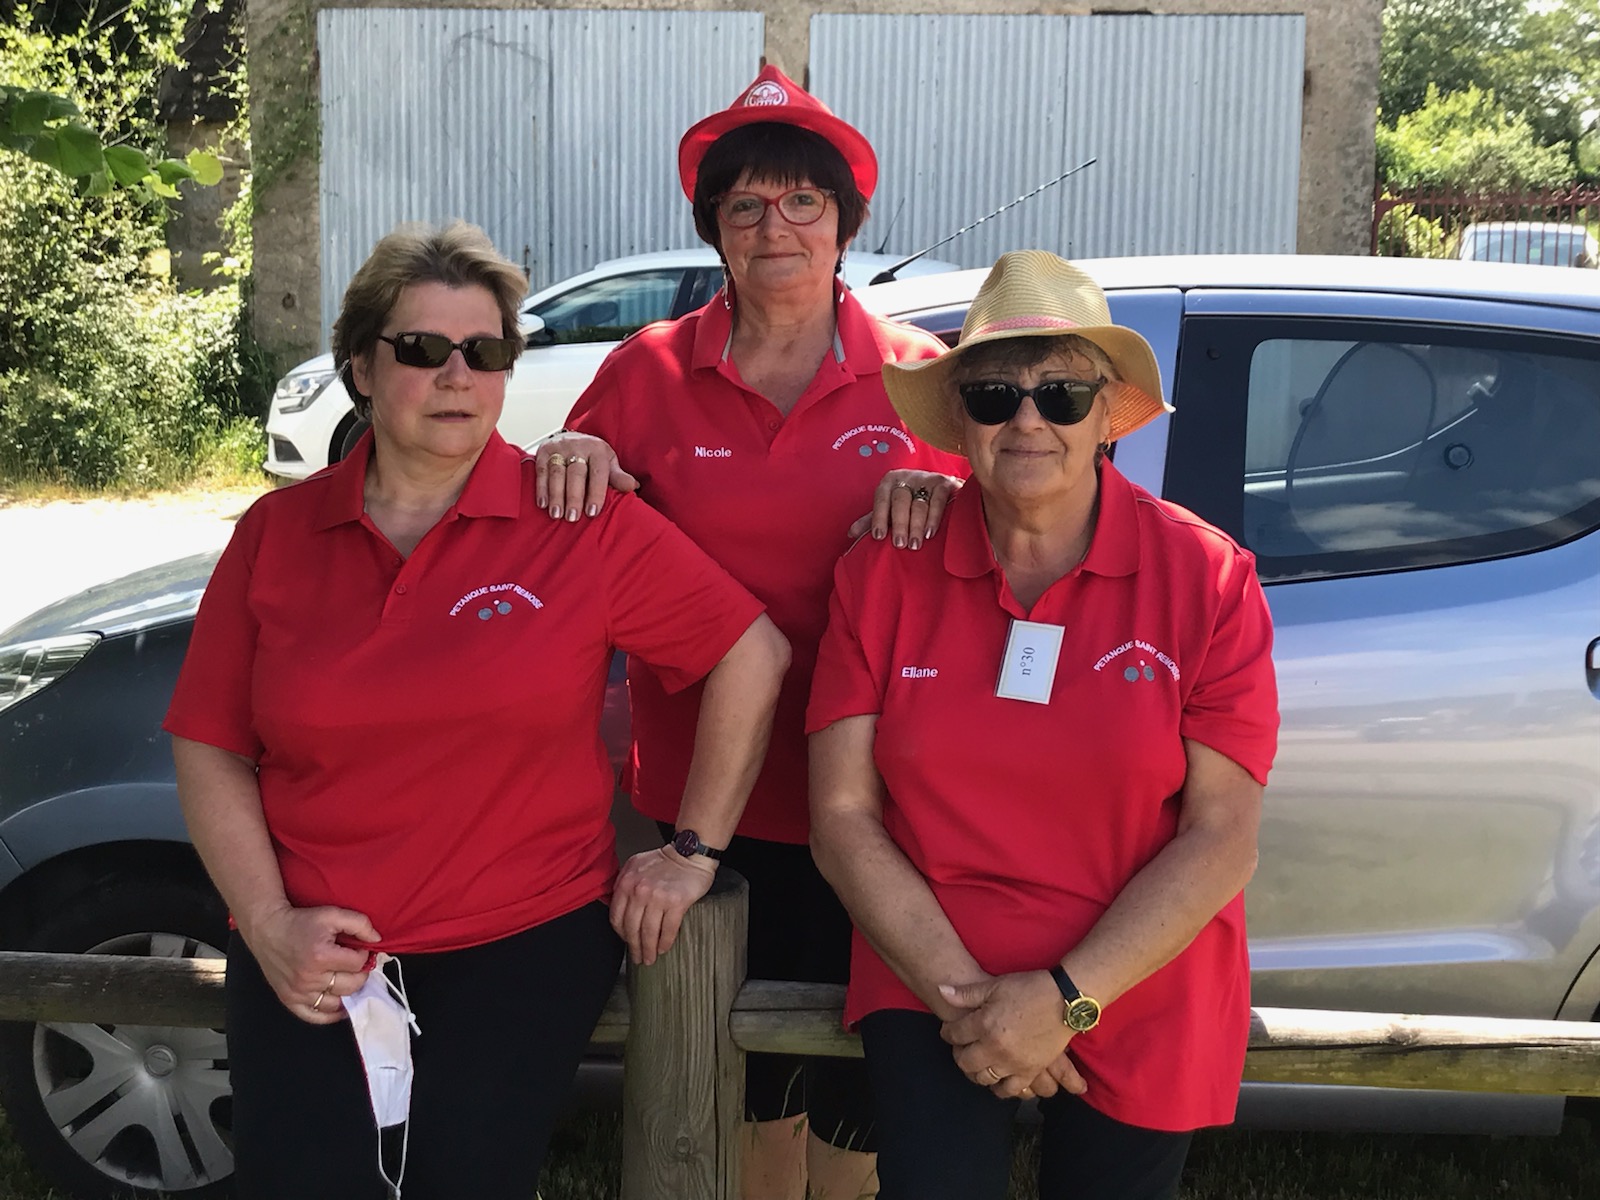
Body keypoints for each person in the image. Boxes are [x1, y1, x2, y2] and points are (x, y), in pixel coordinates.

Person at [163, 221, 790, 1200]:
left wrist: (693, 850)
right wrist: (270, 921)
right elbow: (209, 743)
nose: (457, 375)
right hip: (307, 948)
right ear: (363, 367)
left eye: (486, 351)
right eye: (422, 349)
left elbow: (751, 652)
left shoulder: (575, 521)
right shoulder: (277, 534)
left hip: (516, 945)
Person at [537, 65, 966, 1198]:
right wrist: (568, 460)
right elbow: (571, 541)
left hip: (888, 804)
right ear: (714, 232)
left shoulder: (929, 383)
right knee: (745, 1093)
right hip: (711, 811)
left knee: (863, 1099)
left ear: (844, 224)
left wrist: (951, 502)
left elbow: (1016, 558)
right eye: (744, 206)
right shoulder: (644, 375)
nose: (774, 227)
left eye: (802, 203)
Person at [806, 250, 1280, 1200]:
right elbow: (843, 816)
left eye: (1062, 394)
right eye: (992, 396)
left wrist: (1063, 1003)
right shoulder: (881, 573)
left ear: (1109, 414)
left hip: (1141, 982)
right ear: (961, 424)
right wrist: (978, 1009)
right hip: (933, 976)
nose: (1027, 418)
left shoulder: (1208, 579)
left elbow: (1222, 837)